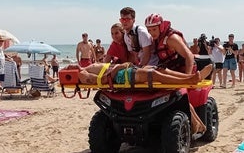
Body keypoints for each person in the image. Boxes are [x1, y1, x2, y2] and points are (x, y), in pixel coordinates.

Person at [144, 13, 206, 135]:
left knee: (179, 95)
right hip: (172, 70)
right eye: (149, 30)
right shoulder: (156, 39)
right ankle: (200, 125)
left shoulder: (172, 39)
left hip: (186, 69)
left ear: (161, 26)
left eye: (154, 29)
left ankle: (197, 125)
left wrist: (187, 79)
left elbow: (189, 56)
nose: (152, 33)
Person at [65, 62, 213, 86]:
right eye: (67, 68)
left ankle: (190, 77)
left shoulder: (86, 66)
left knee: (158, 68)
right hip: (120, 76)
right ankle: (188, 81)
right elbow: (102, 81)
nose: (69, 65)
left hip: (122, 70)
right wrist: (117, 69)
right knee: (152, 74)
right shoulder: (82, 74)